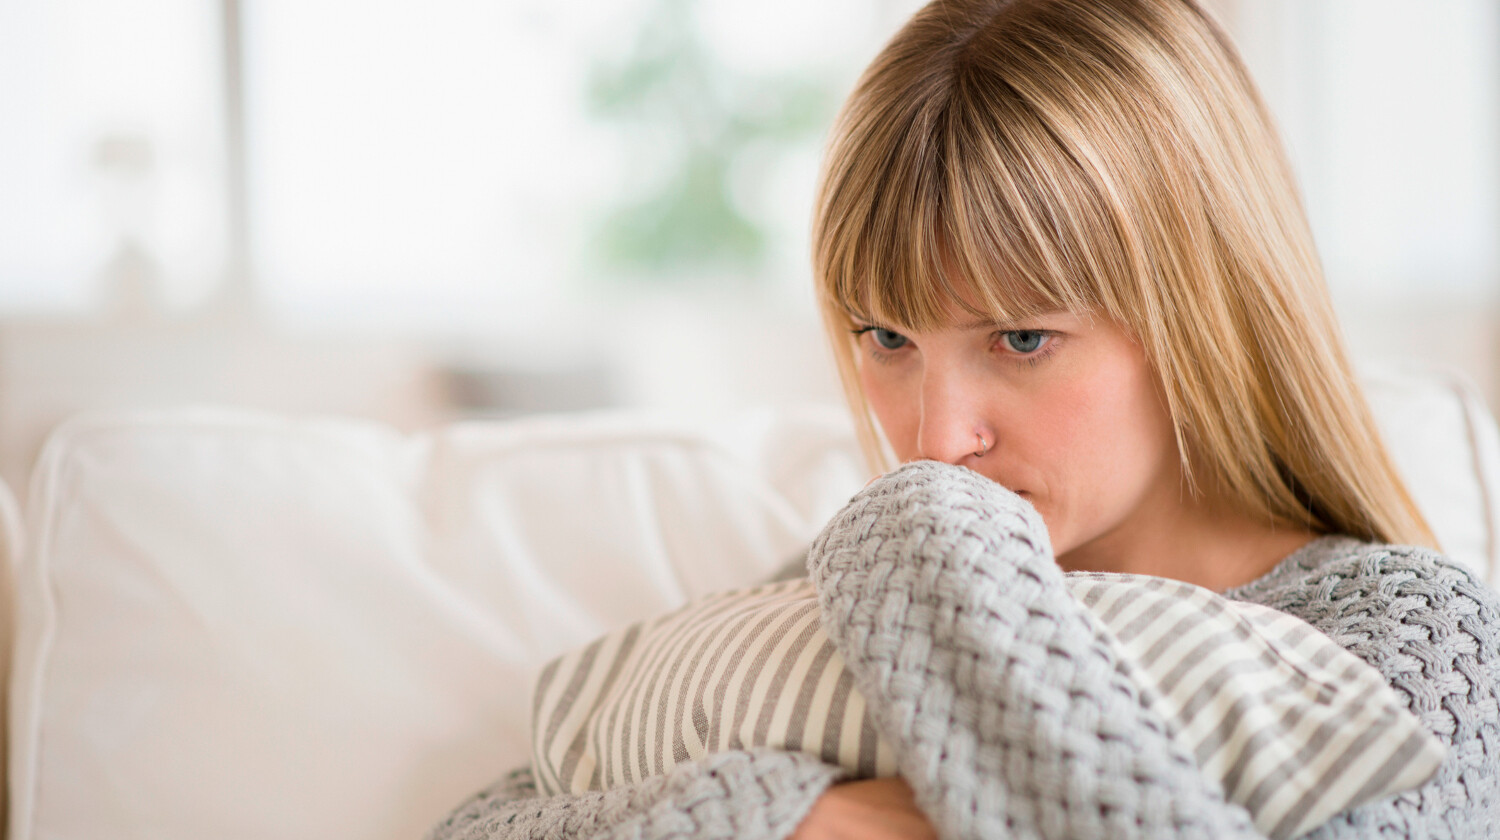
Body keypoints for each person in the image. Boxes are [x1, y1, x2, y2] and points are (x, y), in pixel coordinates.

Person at [428, 0, 1500, 837]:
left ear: (1197, 312)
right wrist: (784, 817)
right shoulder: (817, 596)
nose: (936, 443)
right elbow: (484, 823)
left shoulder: (1412, 645)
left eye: (1021, 339)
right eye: (886, 339)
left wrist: (924, 546)